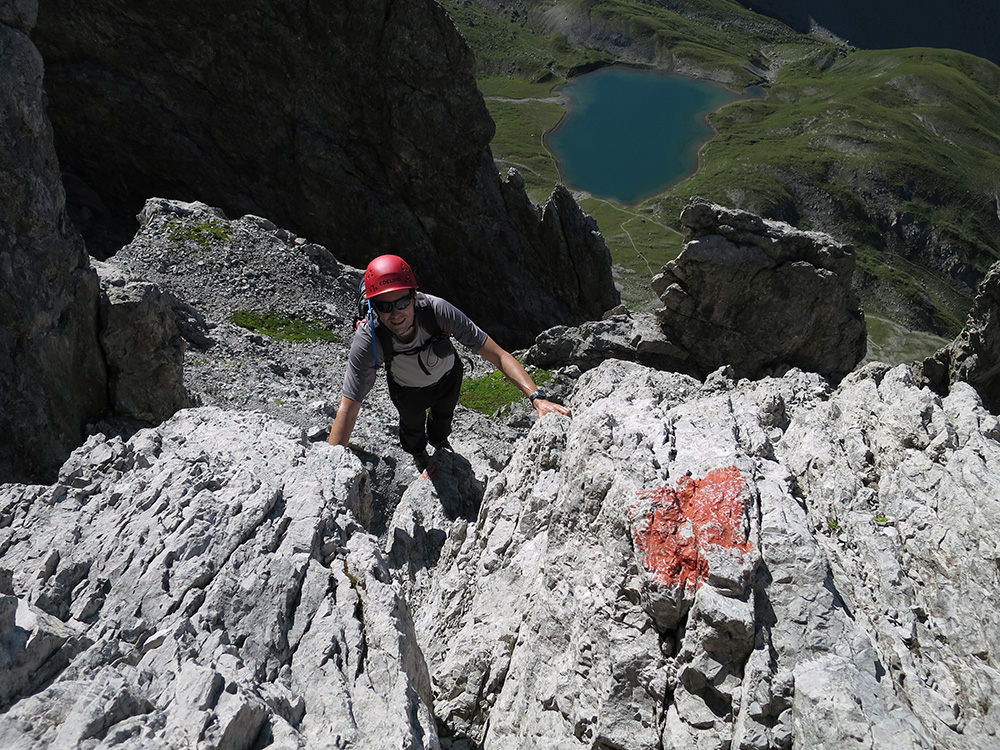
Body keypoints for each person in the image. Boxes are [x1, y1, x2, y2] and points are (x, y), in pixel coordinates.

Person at [328, 254, 571, 467]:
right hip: (407, 391)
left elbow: (498, 355)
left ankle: (439, 443)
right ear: (374, 308)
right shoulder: (369, 337)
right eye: (385, 306)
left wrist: (537, 399)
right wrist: (330, 467)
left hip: (447, 379)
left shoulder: (437, 310)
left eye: (402, 301)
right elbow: (348, 407)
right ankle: (419, 455)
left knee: (442, 422)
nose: (395, 313)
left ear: (414, 297)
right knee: (412, 429)